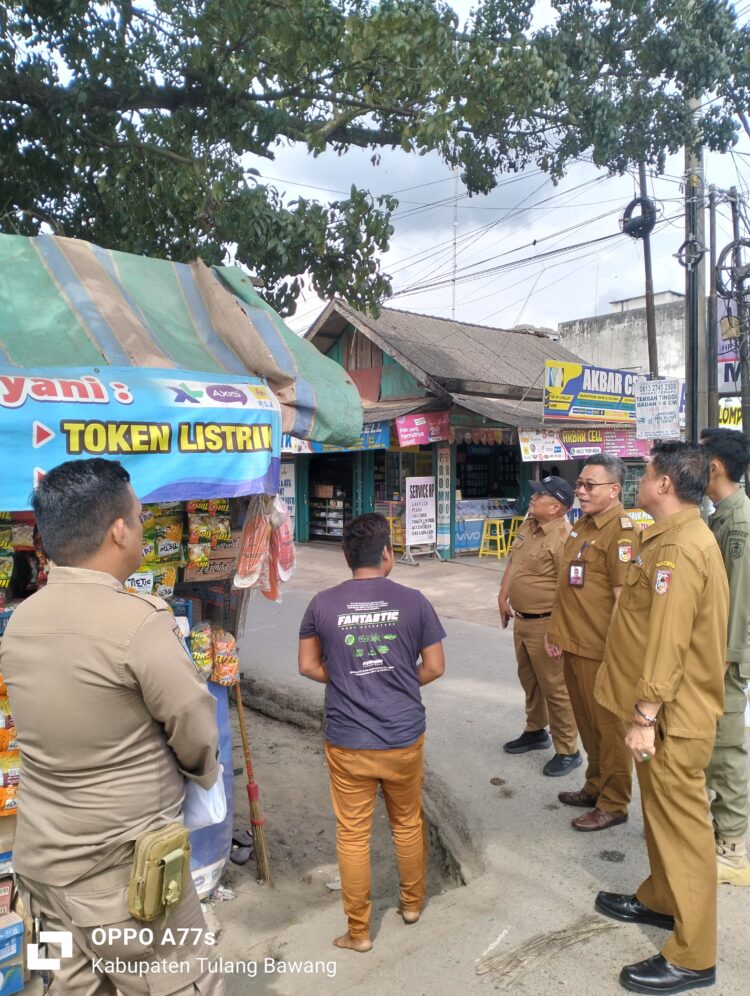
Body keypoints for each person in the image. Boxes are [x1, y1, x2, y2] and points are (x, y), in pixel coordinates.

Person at [1, 459, 223, 996]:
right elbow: (195, 731)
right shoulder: (139, 621)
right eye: (140, 518)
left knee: (58, 986)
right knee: (185, 980)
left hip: (41, 875)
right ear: (118, 529)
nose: (143, 530)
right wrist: (199, 772)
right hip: (126, 883)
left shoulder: (22, 620)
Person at [594, 442, 729, 995]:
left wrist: (646, 712)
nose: (638, 482)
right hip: (657, 714)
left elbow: (669, 641)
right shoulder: (666, 537)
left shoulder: (680, 549)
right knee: (661, 820)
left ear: (666, 485)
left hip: (671, 718)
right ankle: (661, 898)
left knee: (685, 833)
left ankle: (695, 956)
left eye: (645, 474)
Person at [298, 513, 446, 953]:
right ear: (387, 553)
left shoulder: (321, 604)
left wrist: (351, 679)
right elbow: (434, 667)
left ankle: (359, 932)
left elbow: (307, 666)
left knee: (353, 835)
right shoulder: (415, 600)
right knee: (406, 822)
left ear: (345, 556)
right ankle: (412, 905)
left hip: (348, 742)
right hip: (403, 736)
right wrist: (395, 680)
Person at [545, 454, 637, 831]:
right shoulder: (581, 525)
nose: (580, 490)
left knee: (611, 731)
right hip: (574, 645)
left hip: (602, 651)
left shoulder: (623, 532)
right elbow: (570, 586)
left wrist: (619, 656)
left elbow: (622, 600)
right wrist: (556, 630)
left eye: (589, 485)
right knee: (587, 724)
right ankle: (595, 785)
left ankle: (614, 802)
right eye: (580, 484)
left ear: (614, 490)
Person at [497, 476, 581, 776]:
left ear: (556, 507)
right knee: (529, 681)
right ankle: (535, 731)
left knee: (556, 689)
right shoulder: (528, 526)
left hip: (546, 624)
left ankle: (568, 750)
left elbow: (569, 591)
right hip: (522, 620)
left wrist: (558, 631)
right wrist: (502, 596)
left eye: (539, 496)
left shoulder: (564, 538)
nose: (532, 498)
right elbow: (512, 563)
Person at [701, 427, 750, 886]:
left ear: (714, 465)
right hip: (720, 654)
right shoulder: (721, 515)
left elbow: (736, 602)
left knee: (729, 749)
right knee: (715, 747)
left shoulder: (738, 522)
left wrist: (724, 661)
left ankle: (734, 849)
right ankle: (720, 831)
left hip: (728, 658)